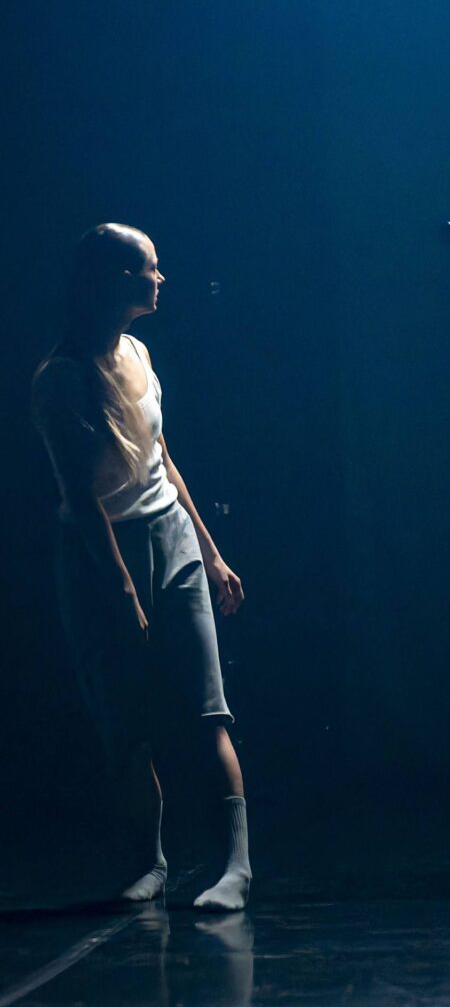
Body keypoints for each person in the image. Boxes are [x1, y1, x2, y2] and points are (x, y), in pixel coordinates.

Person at [32, 223, 251, 910]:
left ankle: (236, 867)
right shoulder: (62, 379)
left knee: (207, 707)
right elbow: (81, 498)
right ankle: (148, 862)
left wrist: (210, 552)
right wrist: (124, 592)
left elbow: (162, 461)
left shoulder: (139, 351)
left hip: (170, 539)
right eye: (149, 268)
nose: (161, 279)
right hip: (100, 555)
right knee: (125, 721)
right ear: (114, 280)